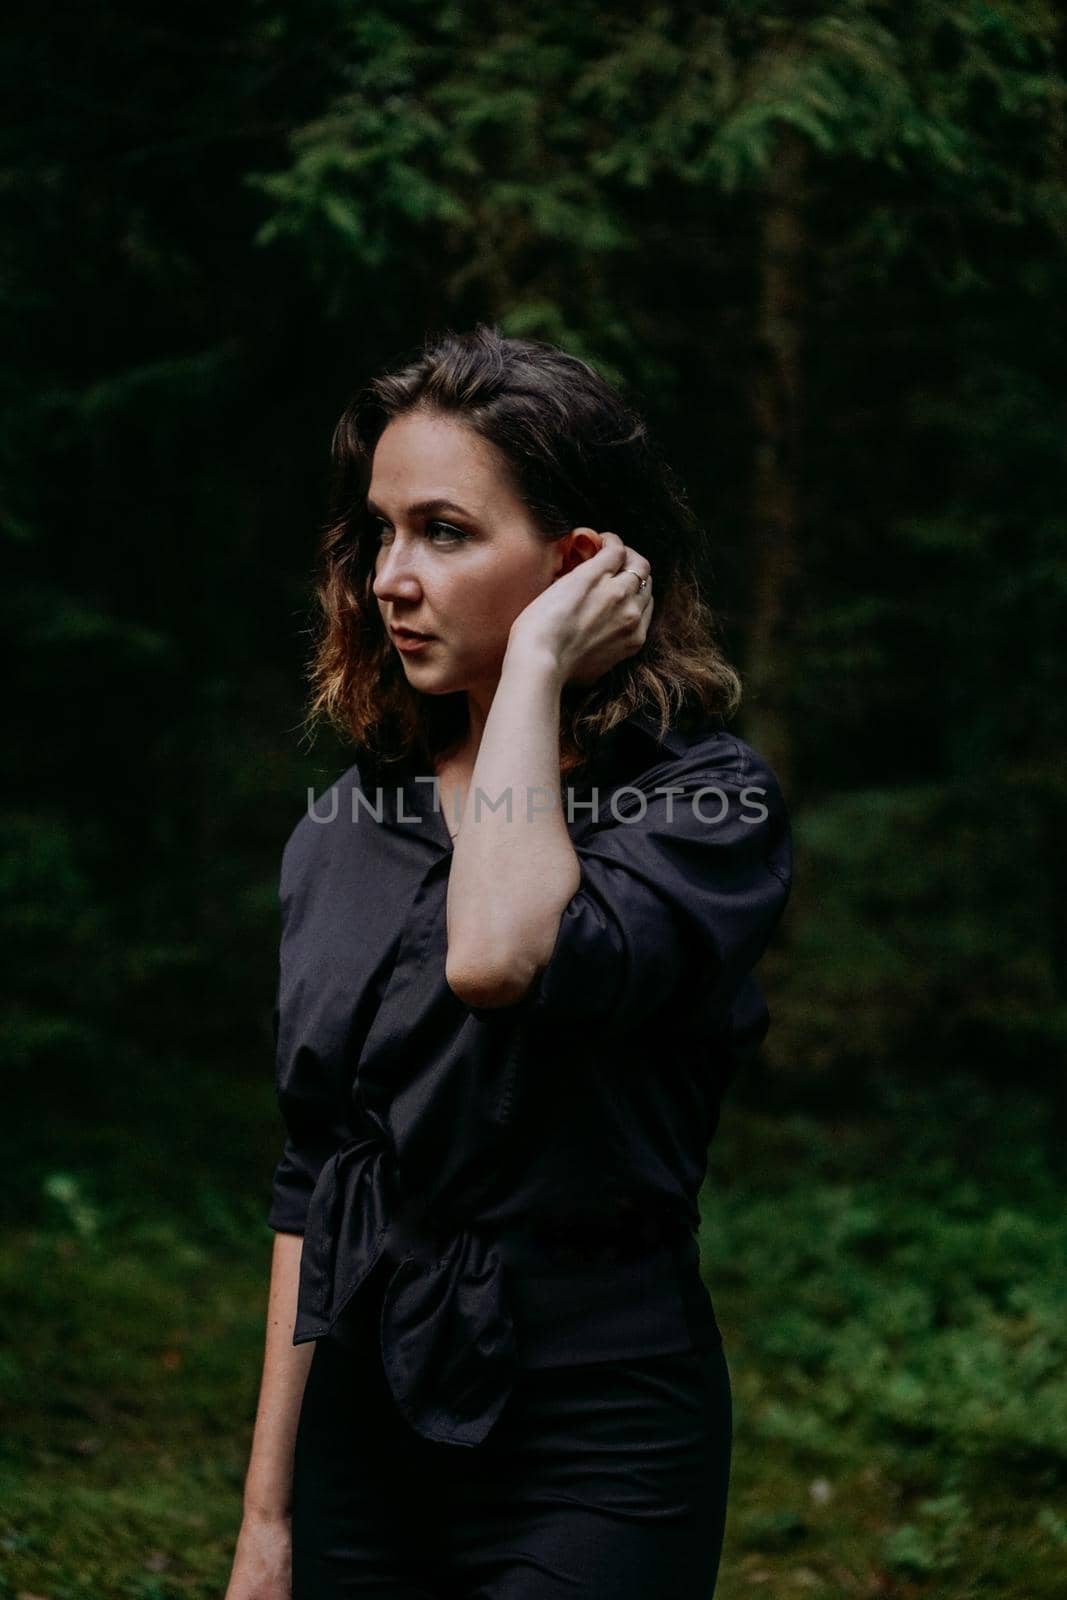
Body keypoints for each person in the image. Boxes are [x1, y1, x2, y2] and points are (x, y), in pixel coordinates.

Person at [224, 324, 792, 1600]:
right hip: (364, 1423)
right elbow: (316, 1173)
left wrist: (531, 667)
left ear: (580, 562)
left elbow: (496, 955)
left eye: (444, 530)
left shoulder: (703, 809)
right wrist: (267, 1521)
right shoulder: (347, 826)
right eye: (380, 531)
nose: (389, 577)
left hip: (599, 1425)